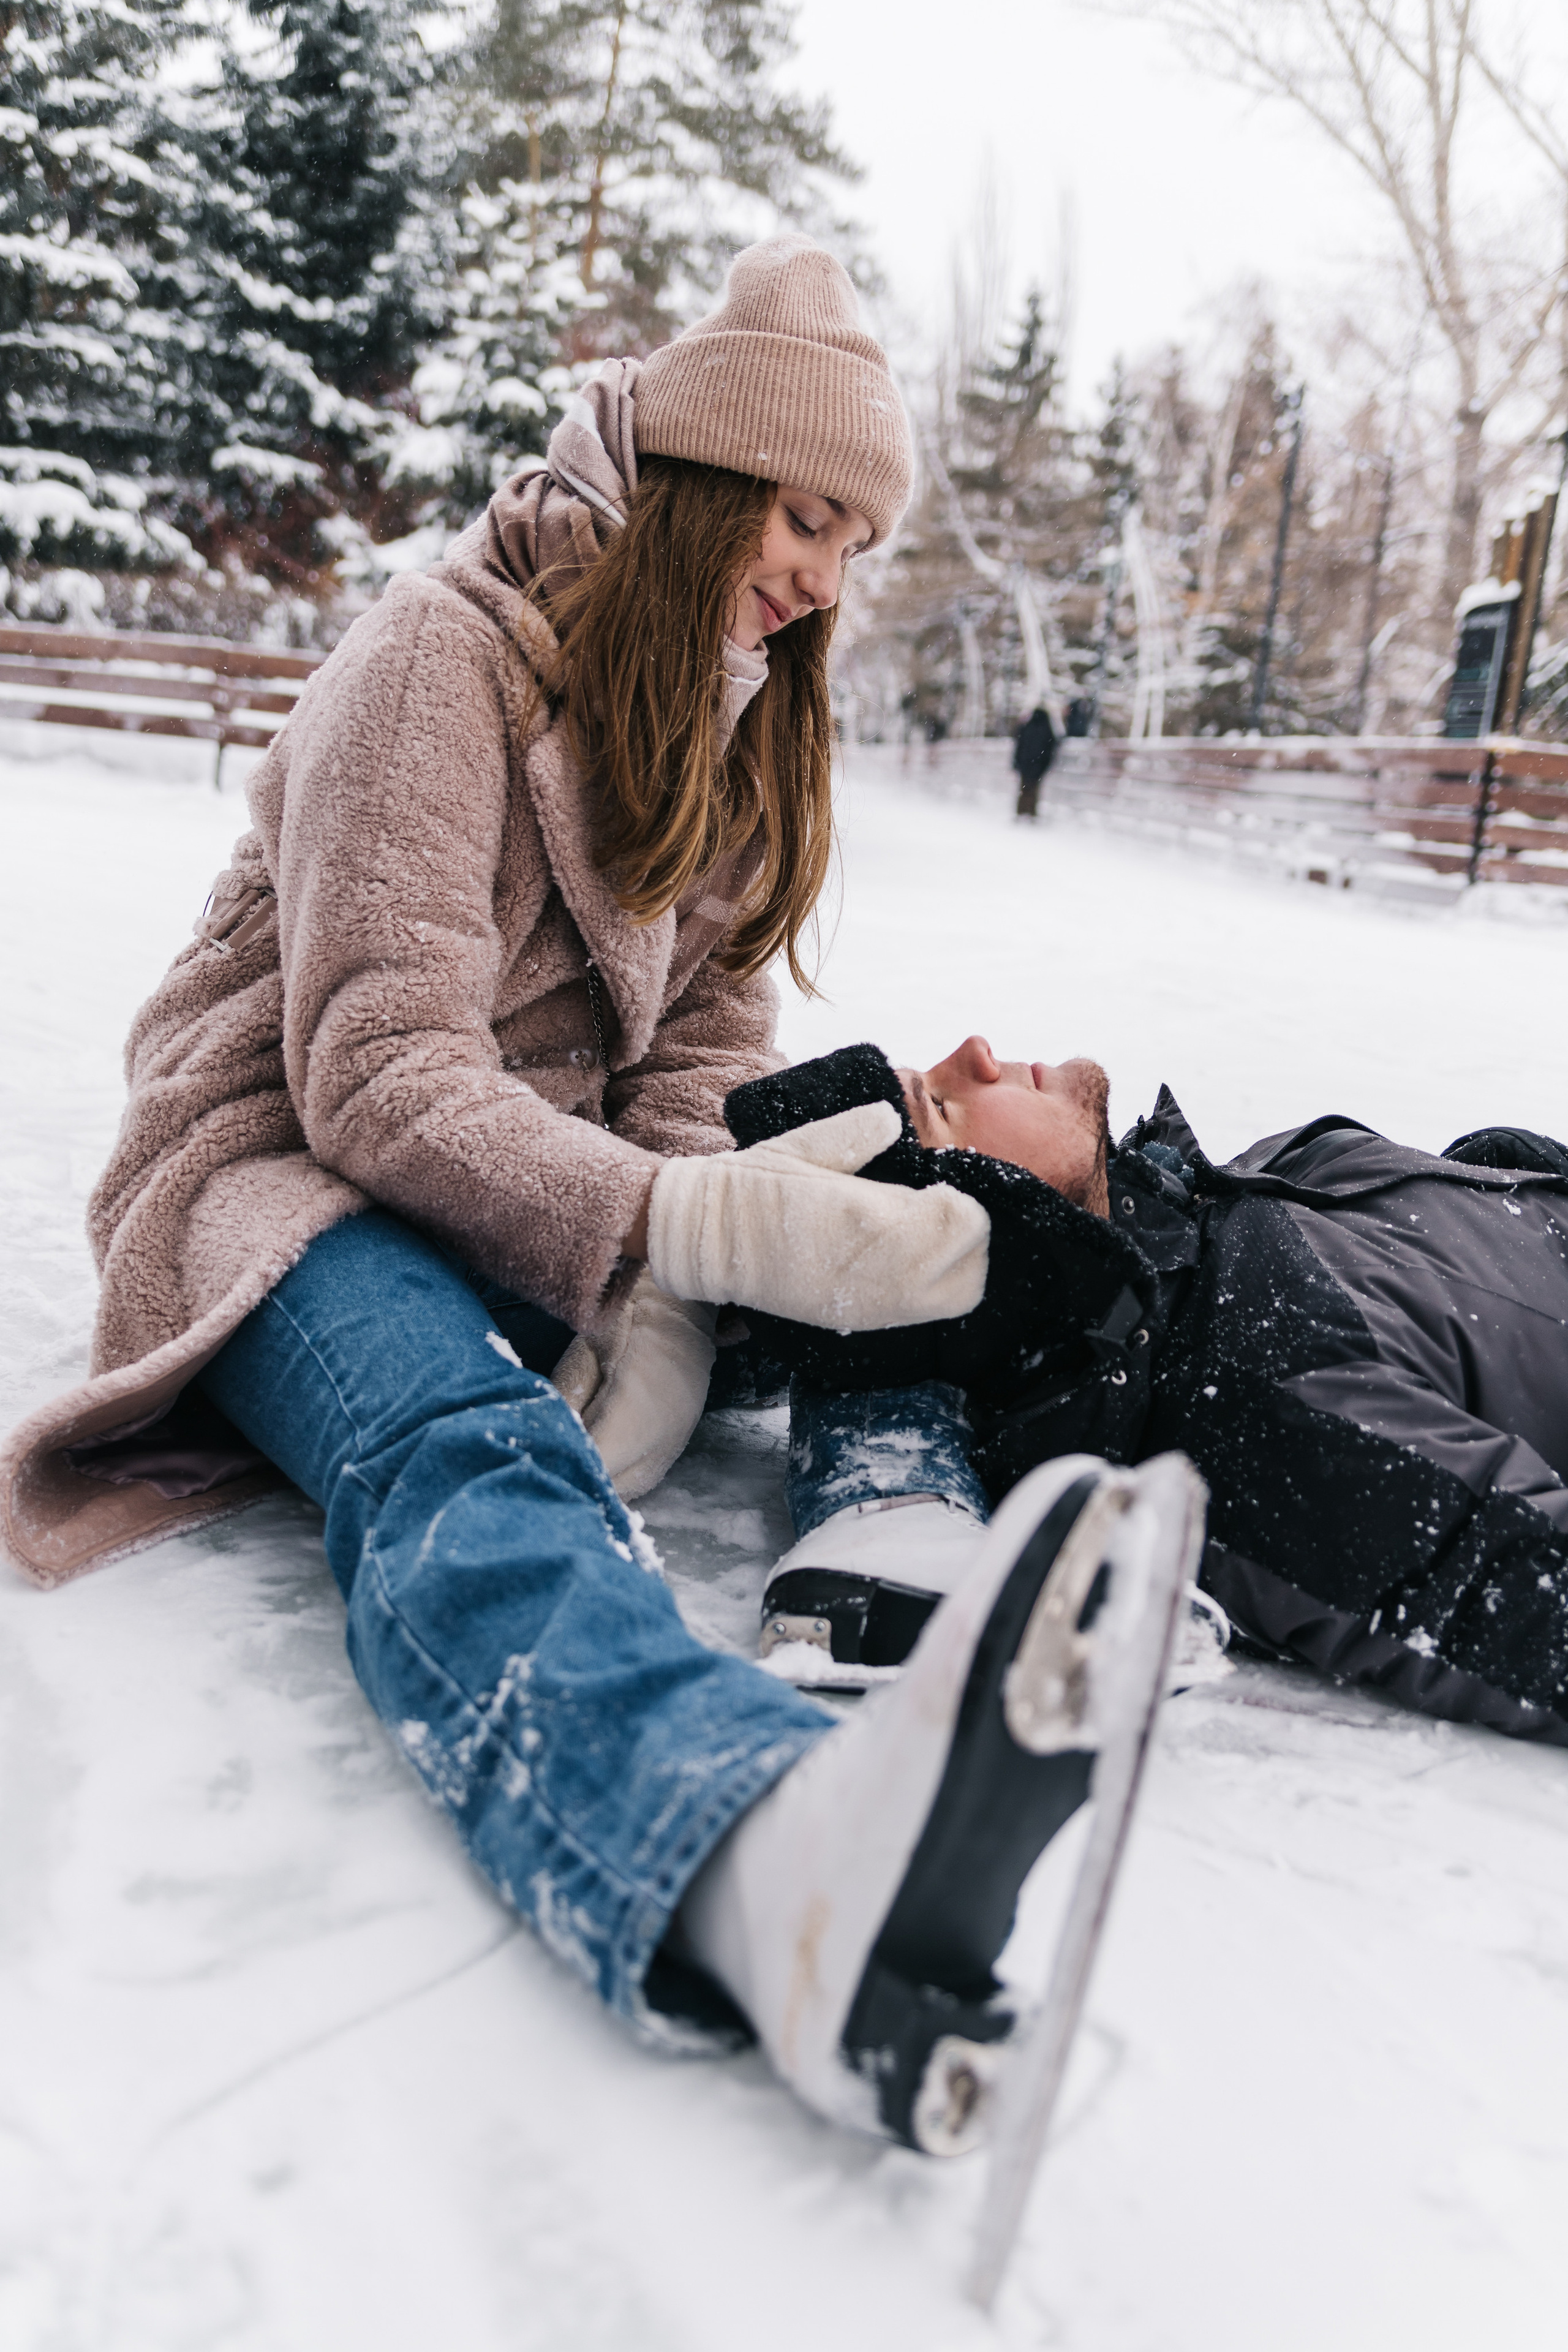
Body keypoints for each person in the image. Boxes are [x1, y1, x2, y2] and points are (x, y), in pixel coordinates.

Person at [0, 238, 1200, 2157]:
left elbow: (692, 1069)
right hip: (281, 1169)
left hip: (528, 1186)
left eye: (851, 543)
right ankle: (736, 1843)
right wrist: (670, 1233)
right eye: (804, 516)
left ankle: (902, 1523)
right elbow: (374, 1071)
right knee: (453, 1431)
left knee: (863, 1200)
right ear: (706, 482)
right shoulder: (436, 656)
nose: (819, 576)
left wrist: (719, 1226)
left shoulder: (730, 726)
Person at [729, 1036, 1568, 1747]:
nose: (974, 1053)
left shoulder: (1187, 1221)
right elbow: (1534, 1596)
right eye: (941, 1105)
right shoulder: (1251, 1411)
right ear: (965, 1245)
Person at [1010, 703, 1058, 819]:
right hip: (1038, 765)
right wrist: (1045, 765)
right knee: (1034, 790)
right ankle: (1031, 812)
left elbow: (1018, 744)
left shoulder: (1027, 727)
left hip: (1026, 764)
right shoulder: (1047, 729)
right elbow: (1051, 747)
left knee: (1024, 788)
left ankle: (1021, 811)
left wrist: (1017, 762)